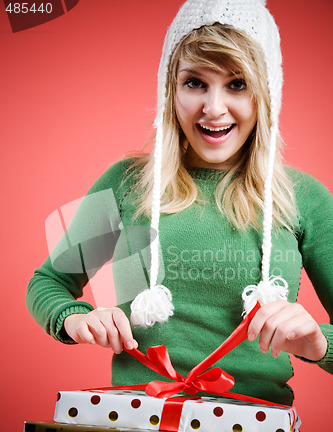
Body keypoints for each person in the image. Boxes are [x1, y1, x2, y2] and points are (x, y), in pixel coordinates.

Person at [26, 0, 333, 406]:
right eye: (195, 82)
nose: (214, 108)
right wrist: (76, 319)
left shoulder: (303, 199)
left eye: (237, 84)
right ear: (170, 89)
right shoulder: (126, 184)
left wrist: (318, 342)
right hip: (138, 427)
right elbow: (48, 283)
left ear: (266, 94)